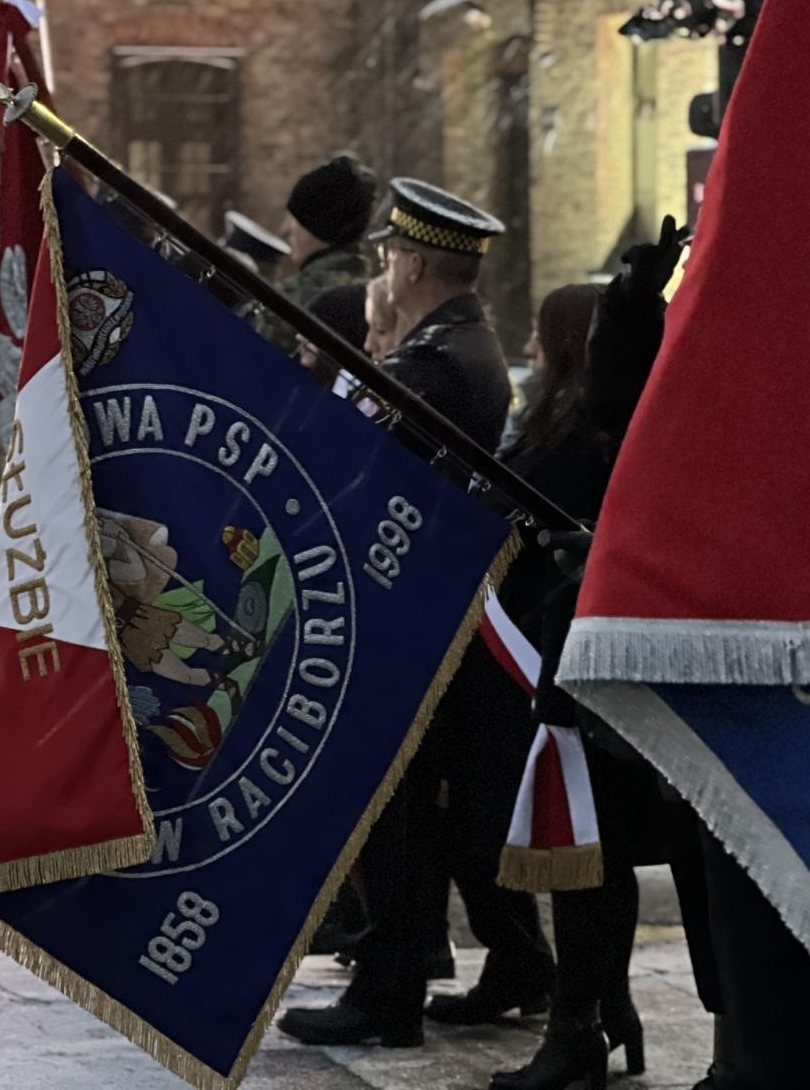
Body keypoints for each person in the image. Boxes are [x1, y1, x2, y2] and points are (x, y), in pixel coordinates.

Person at [278, 178, 553, 1049]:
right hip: (426, 615)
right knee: (424, 814)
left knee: (396, 813)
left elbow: (353, 472)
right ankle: (463, 968)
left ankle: (387, 990)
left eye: (394, 255)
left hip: (415, 621)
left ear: (418, 264)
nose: (386, 266)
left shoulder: (433, 364)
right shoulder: (455, 345)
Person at [473, 225, 681, 1090]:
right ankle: (598, 1012)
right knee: (594, 853)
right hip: (565, 648)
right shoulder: (561, 413)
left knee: (593, 853)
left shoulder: (585, 431)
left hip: (585, 655)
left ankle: (582, 1026)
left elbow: (570, 478)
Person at [261, 155, 377, 353]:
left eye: (294, 220)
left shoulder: (293, 301)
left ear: (318, 228)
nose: (285, 229)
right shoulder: (372, 293)